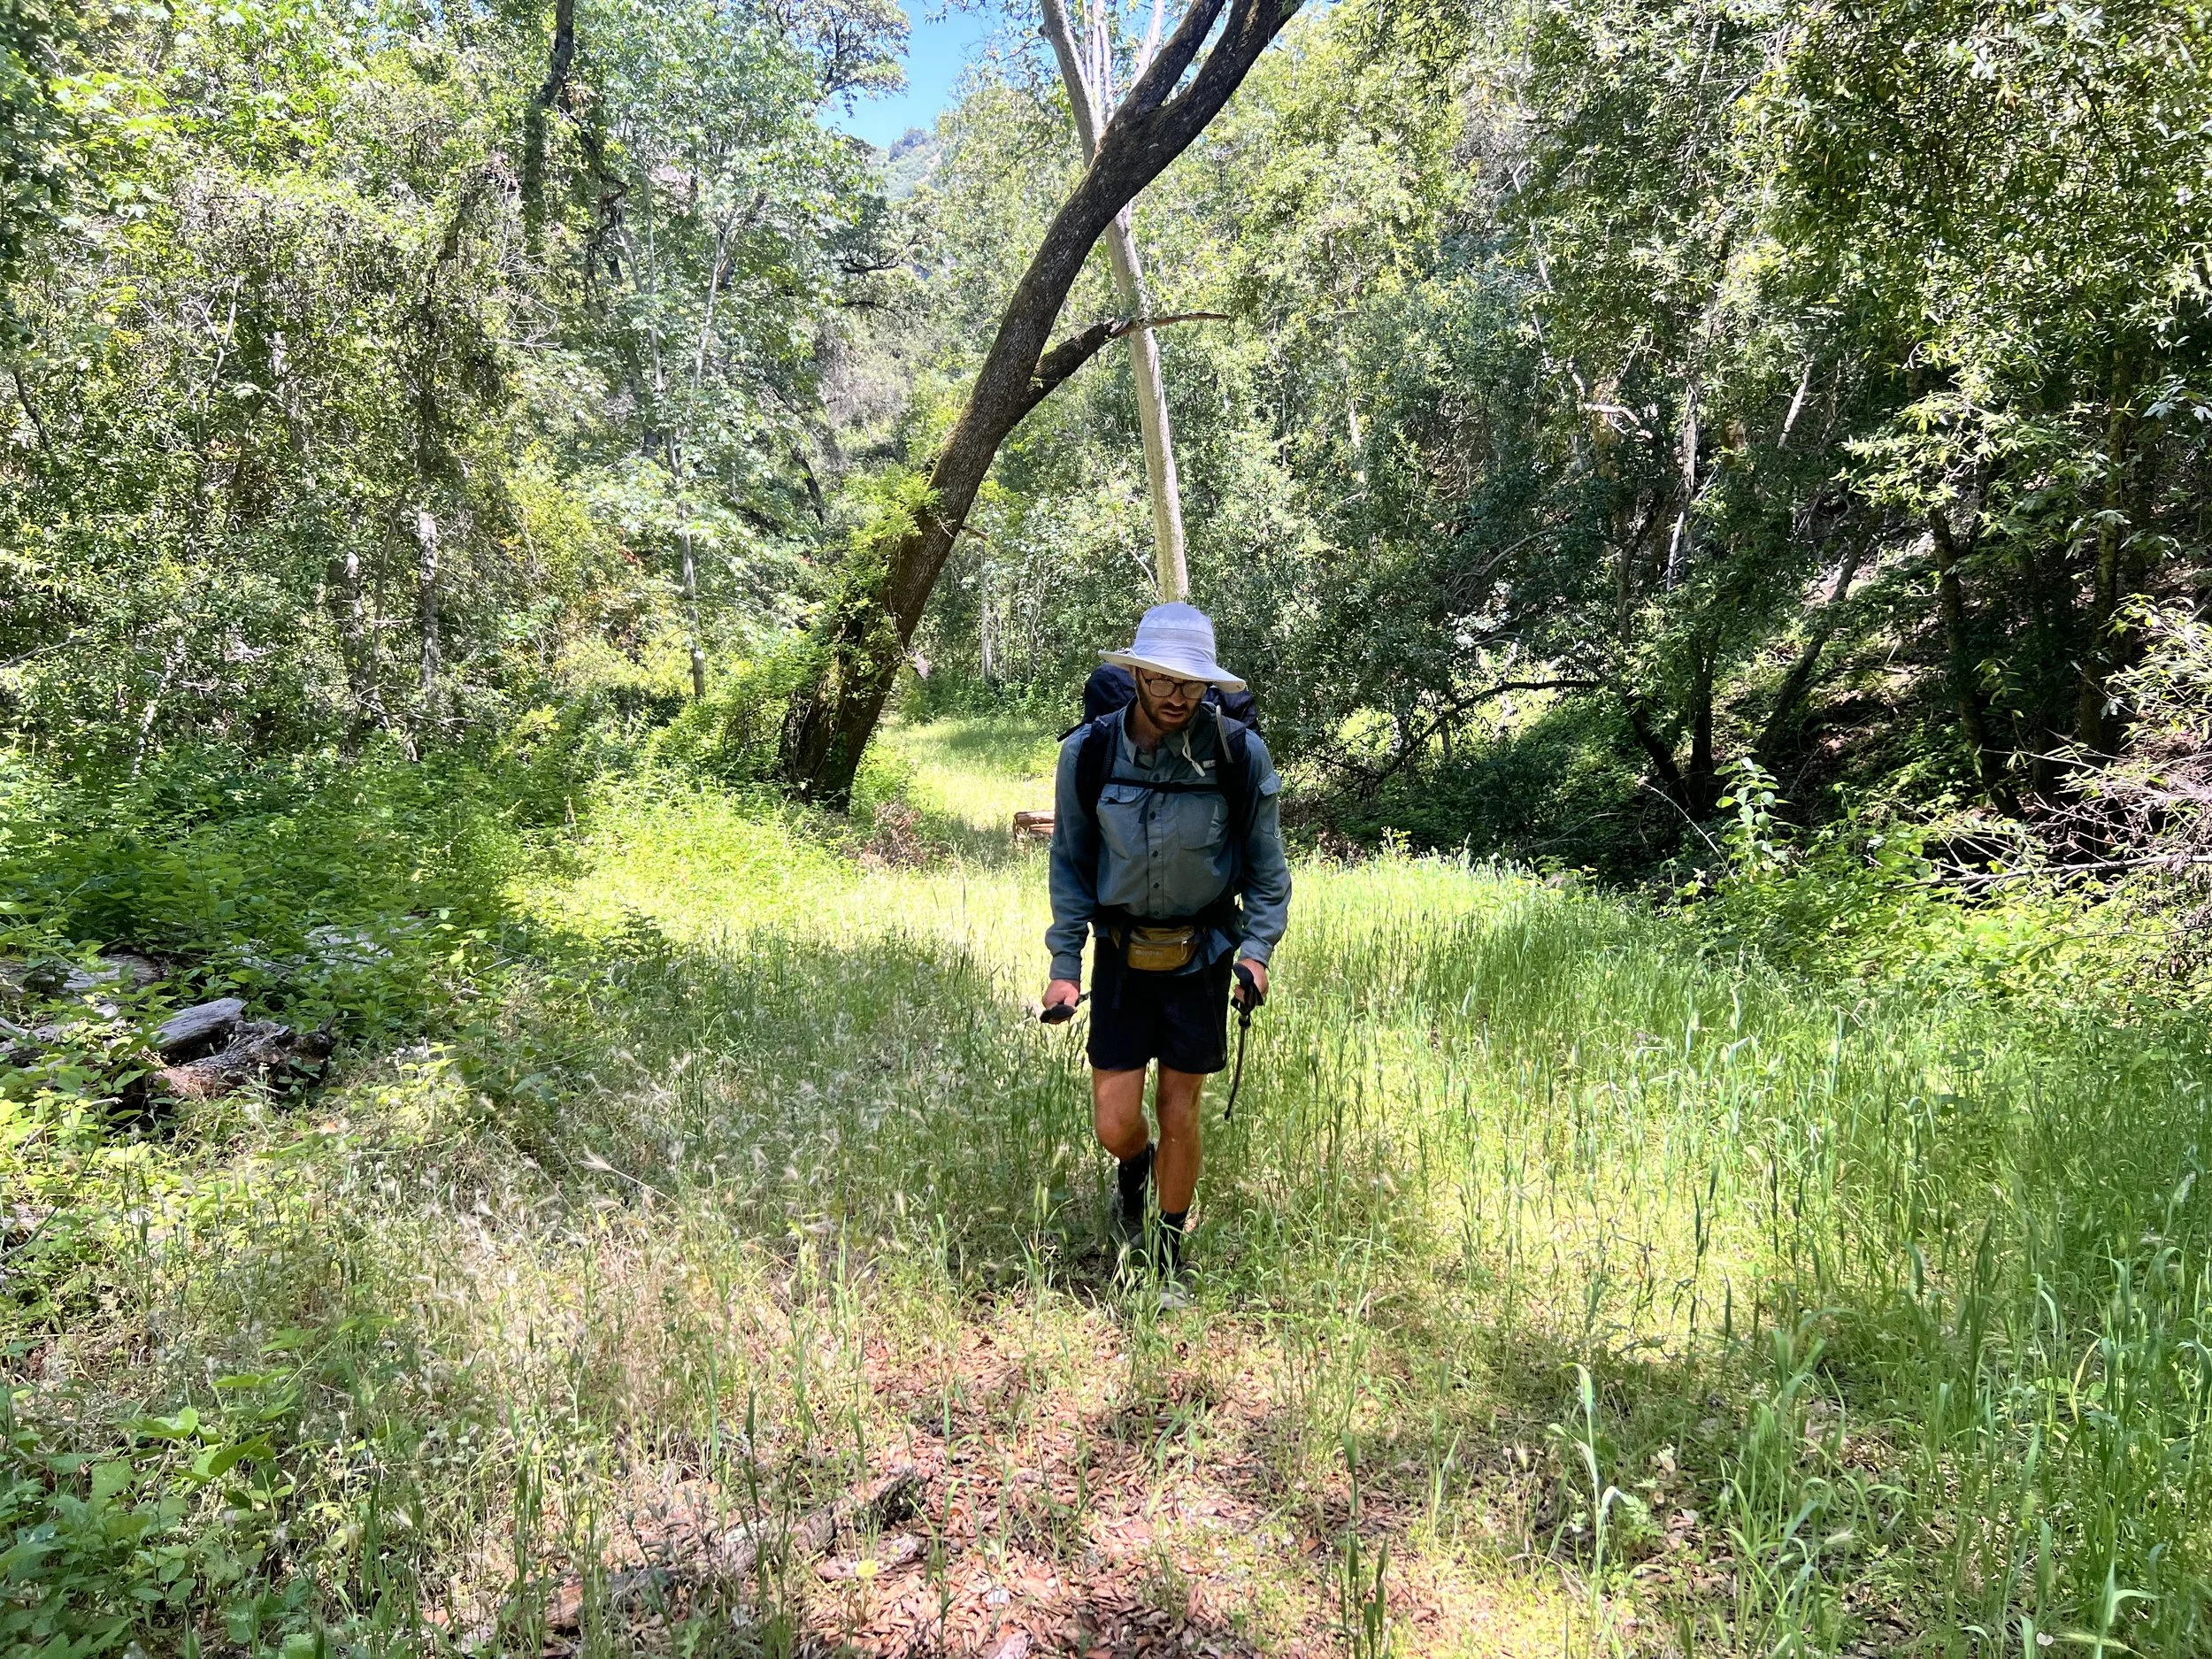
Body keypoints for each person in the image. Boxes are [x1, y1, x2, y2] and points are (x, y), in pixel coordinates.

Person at [1042, 603, 1293, 1280]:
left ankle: (1168, 1252)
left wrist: (1257, 953)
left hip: (1203, 957)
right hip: (1121, 957)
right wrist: (1066, 962)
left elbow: (1270, 874)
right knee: (1114, 1121)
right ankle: (1134, 1167)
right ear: (1140, 675)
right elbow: (1068, 864)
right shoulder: (1088, 752)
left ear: (1208, 684)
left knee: (1179, 1107)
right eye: (1161, 680)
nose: (1176, 695)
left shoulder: (1238, 754)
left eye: (1190, 683)